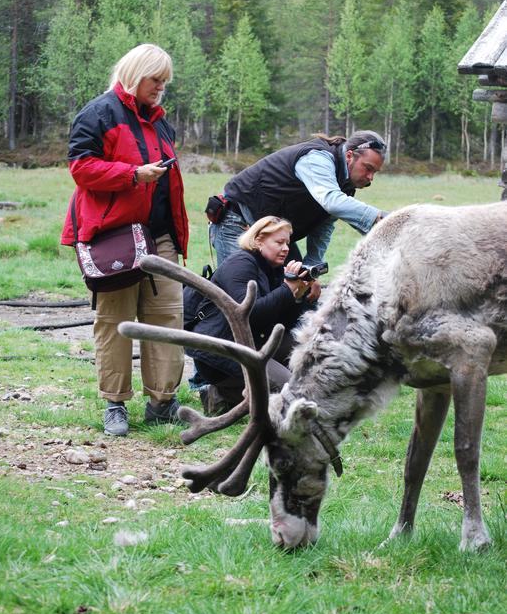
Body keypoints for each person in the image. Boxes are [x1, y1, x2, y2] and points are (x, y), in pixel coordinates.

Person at [61, 44, 189, 436]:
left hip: (160, 236)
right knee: (115, 320)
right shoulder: (98, 113)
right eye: (156, 80)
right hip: (114, 236)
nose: (160, 89)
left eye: (165, 83)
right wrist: (132, 174)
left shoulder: (160, 122)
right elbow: (81, 168)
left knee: (167, 317)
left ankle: (162, 402)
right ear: (136, 74)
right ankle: (114, 403)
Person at [187, 216, 321, 414]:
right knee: (287, 389)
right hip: (223, 350)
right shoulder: (240, 264)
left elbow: (283, 324)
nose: (286, 248)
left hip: (254, 342)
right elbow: (248, 316)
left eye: (287, 242)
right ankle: (224, 394)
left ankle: (222, 395)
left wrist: (299, 296)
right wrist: (287, 289)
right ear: (258, 240)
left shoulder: (273, 268)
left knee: (311, 355)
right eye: (279, 242)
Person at [210, 130, 387, 266]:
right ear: (349, 156)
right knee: (237, 297)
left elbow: (323, 224)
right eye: (368, 168)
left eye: (375, 172)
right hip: (236, 221)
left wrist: (312, 265)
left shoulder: (345, 184)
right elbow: (331, 202)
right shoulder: (317, 158)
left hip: (273, 234)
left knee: (295, 297)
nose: (371, 178)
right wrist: (383, 219)